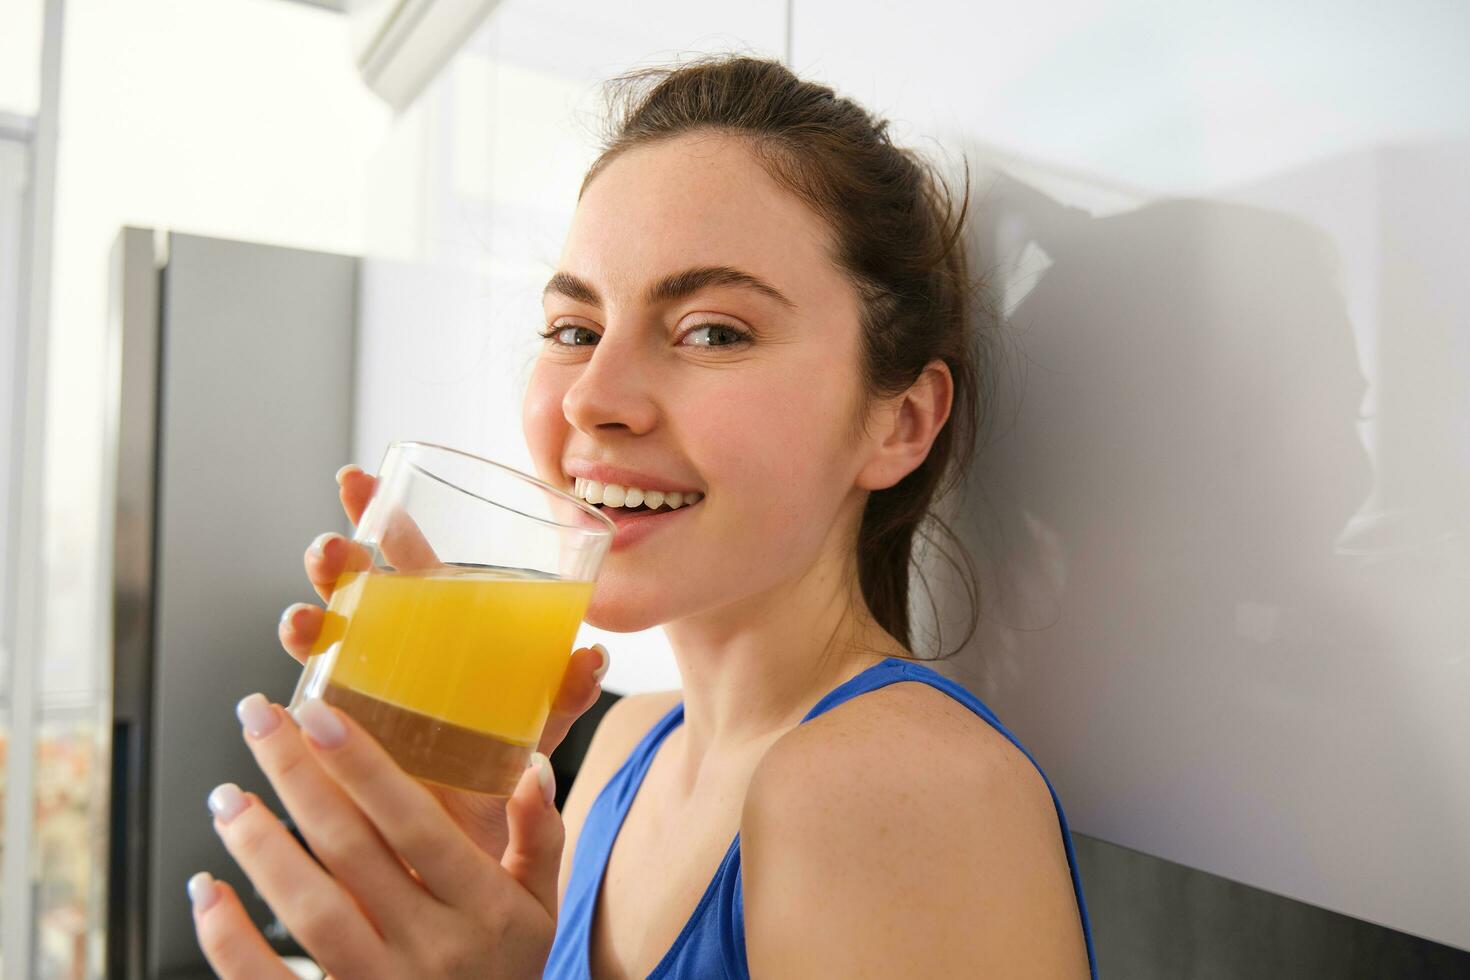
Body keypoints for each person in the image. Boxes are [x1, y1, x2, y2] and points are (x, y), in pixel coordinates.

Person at [188, 54, 1098, 978]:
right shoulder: (632, 742)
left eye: (712, 331)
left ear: (897, 422)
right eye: (575, 331)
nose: (593, 397)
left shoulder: (895, 790)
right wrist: (430, 880)